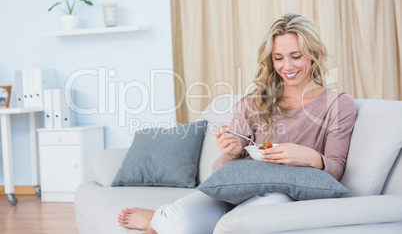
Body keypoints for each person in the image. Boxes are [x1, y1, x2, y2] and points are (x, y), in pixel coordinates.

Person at [116, 13, 357, 234]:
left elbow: (336, 168)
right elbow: (220, 173)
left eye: (296, 56)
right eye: (278, 58)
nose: (287, 66)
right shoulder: (255, 102)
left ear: (314, 54)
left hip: (283, 194)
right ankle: (159, 219)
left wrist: (309, 157)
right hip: (238, 188)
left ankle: (162, 223)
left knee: (235, 226)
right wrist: (232, 152)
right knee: (179, 221)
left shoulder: (337, 104)